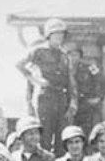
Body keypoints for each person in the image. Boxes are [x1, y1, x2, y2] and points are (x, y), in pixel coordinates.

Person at [16, 18, 77, 154]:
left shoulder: (64, 56)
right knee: (45, 135)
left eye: (61, 35)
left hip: (61, 98)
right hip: (45, 97)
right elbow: (19, 65)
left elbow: (70, 81)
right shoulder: (38, 51)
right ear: (48, 35)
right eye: (56, 34)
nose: (59, 37)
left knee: (62, 135)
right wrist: (35, 80)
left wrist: (71, 102)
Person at [65, 42, 105, 136]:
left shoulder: (89, 67)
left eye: (75, 55)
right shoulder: (63, 70)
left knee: (86, 134)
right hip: (68, 107)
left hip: (85, 107)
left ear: (80, 56)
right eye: (69, 55)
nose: (72, 58)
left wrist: (98, 98)